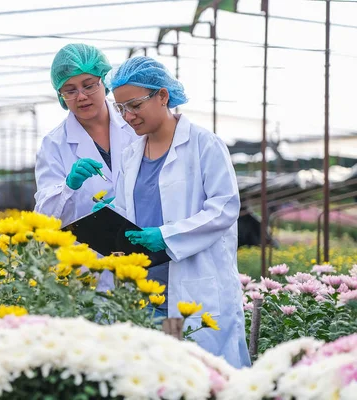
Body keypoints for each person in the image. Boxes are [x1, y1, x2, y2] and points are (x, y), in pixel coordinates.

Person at [107, 56, 250, 368]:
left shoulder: (204, 144)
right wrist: (107, 218)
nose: (128, 116)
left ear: (162, 95)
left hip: (193, 284)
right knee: (151, 376)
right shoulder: (130, 154)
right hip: (144, 287)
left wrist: (167, 236)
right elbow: (126, 208)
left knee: (202, 375)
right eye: (120, 108)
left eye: (134, 105)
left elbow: (224, 207)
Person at [34, 44, 138, 228]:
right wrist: (68, 187)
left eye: (89, 85)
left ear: (104, 82)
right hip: (86, 253)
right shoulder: (53, 145)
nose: (81, 96)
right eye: (70, 90)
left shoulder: (134, 123)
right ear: (61, 95)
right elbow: (43, 218)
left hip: (140, 245)